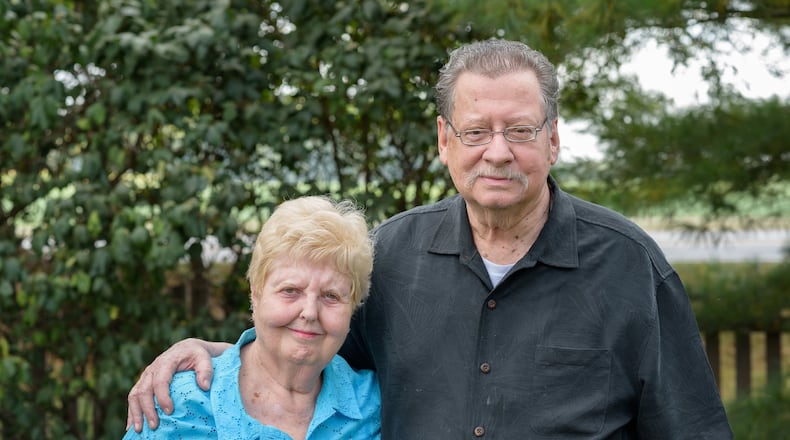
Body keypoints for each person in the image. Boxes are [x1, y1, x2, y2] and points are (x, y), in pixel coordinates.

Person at [127, 39, 733, 439]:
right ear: (445, 140)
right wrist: (211, 352)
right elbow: (310, 353)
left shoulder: (630, 268)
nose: (498, 152)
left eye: (519, 130)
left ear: (553, 140)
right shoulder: (390, 258)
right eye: (476, 131)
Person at [123, 196, 380, 439]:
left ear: (353, 307)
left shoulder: (376, 405)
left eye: (331, 296)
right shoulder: (179, 403)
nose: (310, 312)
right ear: (255, 295)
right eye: (290, 291)